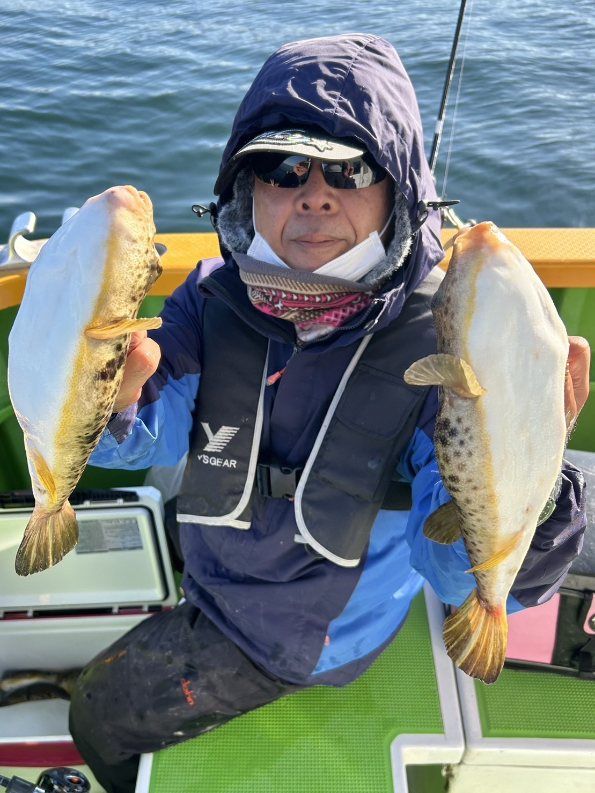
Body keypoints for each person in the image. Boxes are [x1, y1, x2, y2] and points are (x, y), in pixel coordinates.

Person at [69, 34, 590, 793]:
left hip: (306, 637)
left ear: (398, 193)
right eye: (282, 169)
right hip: (221, 572)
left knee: (98, 714)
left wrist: (530, 477)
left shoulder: (441, 343)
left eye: (351, 170)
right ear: (246, 189)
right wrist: (109, 404)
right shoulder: (209, 296)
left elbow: (453, 569)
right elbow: (148, 434)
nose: (314, 195)